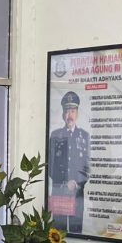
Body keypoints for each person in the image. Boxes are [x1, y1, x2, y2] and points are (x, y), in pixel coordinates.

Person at [48, 91, 90, 233]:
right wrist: (65, 182)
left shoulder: (84, 136)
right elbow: (50, 165)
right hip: (59, 191)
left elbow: (88, 167)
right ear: (62, 114)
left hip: (77, 193)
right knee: (57, 234)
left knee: (76, 231)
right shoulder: (55, 135)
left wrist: (76, 183)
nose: (69, 115)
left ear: (77, 114)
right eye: (66, 111)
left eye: (72, 111)